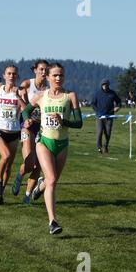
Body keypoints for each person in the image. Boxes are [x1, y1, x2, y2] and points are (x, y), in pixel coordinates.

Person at [22, 63, 83, 235]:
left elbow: (79, 123)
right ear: (48, 77)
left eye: (61, 75)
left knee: (51, 181)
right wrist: (27, 120)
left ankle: (40, 186)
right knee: (53, 179)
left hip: (62, 144)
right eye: (55, 75)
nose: (58, 78)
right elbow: (26, 111)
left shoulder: (70, 96)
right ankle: (53, 222)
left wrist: (64, 121)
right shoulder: (41, 96)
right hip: (44, 142)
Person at [0, 66, 26, 205]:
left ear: (17, 76)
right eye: (9, 73)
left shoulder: (20, 91)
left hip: (14, 133)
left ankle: (0, 194)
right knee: (6, 156)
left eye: (14, 74)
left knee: (9, 166)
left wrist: (18, 96)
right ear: (4, 75)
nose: (11, 76)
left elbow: (26, 109)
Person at [12, 60, 49, 204]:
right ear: (35, 70)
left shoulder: (48, 88)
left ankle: (27, 195)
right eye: (41, 69)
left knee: (38, 165)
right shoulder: (28, 84)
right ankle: (20, 175)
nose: (44, 72)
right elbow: (21, 98)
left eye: (46, 70)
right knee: (29, 162)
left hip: (43, 127)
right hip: (28, 126)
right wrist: (22, 98)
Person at [91, 79, 121, 154]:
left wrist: (117, 107)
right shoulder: (97, 93)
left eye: (106, 84)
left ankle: (105, 146)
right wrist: (97, 111)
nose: (105, 86)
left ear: (108, 85)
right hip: (99, 116)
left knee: (108, 133)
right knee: (99, 132)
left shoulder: (112, 93)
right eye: (103, 84)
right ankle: (99, 147)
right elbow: (93, 104)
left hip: (109, 116)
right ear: (101, 85)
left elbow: (119, 102)